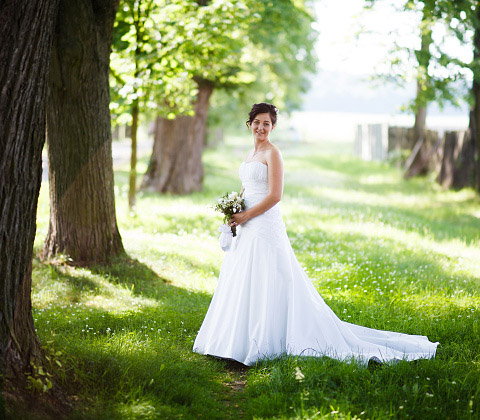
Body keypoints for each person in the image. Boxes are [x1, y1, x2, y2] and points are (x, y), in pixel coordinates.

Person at [193, 102, 438, 366]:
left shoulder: (273, 154)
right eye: (257, 122)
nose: (261, 127)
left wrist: (246, 215)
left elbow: (275, 195)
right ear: (249, 124)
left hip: (264, 225)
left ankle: (265, 340)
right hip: (246, 226)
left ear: (273, 127)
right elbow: (246, 190)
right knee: (244, 277)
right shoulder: (249, 154)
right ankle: (233, 340)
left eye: (267, 123)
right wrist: (234, 212)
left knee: (270, 277)